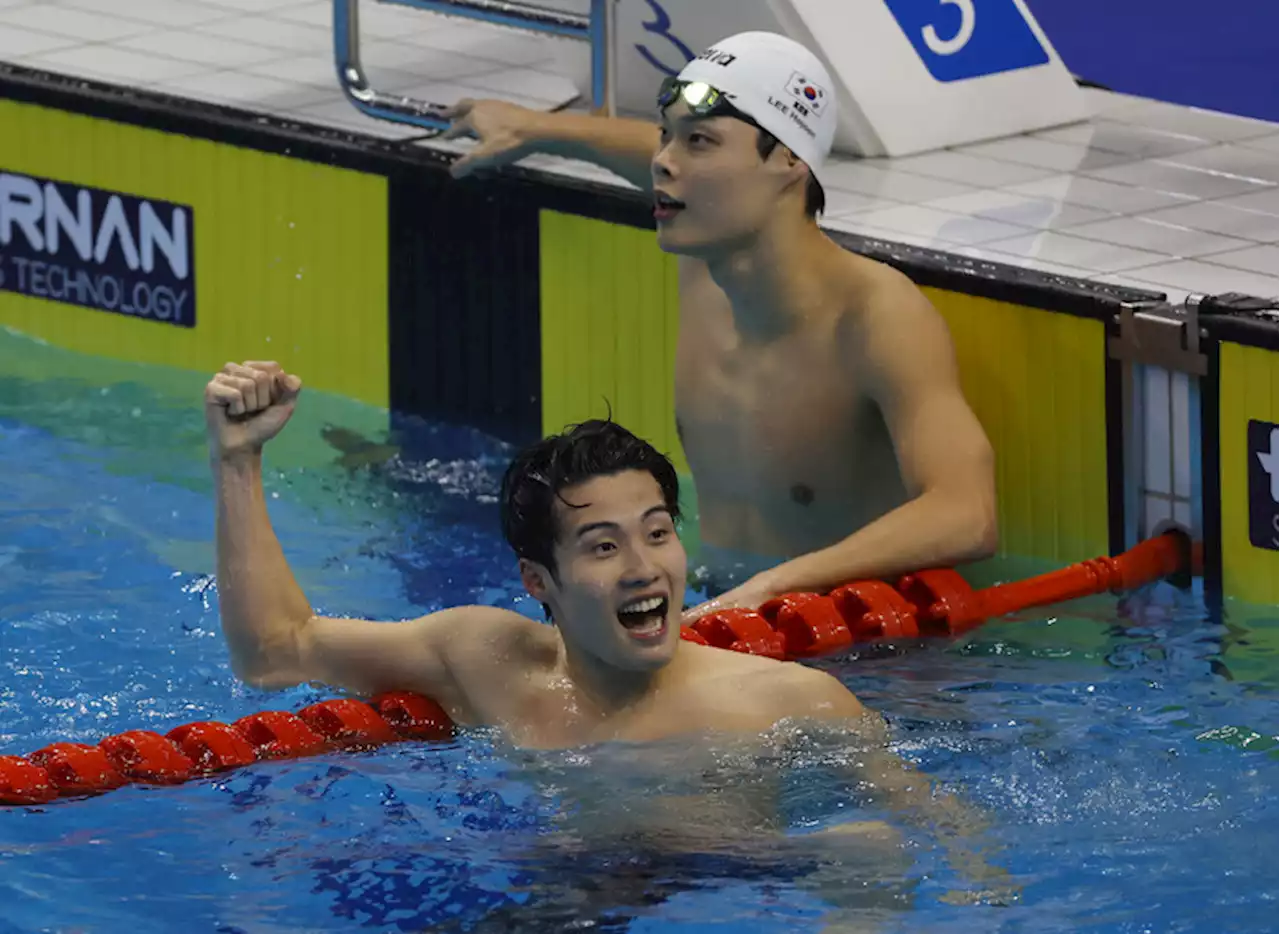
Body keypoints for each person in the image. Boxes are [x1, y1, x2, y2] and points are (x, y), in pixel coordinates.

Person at [204, 359, 1016, 919]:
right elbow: (275, 651)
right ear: (538, 582)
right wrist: (238, 461)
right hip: (559, 890)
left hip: (720, 877)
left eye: (658, 533)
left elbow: (938, 824)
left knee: (860, 849)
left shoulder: (787, 701)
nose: (644, 569)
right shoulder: (485, 659)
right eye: (603, 546)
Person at [439, 31, 998, 621]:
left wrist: (778, 585)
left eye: (698, 141)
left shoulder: (874, 315)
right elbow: (669, 158)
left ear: (788, 162)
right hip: (716, 616)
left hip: (856, 648)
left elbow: (968, 515)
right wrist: (540, 128)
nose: (663, 161)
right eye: (665, 136)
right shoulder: (709, 256)